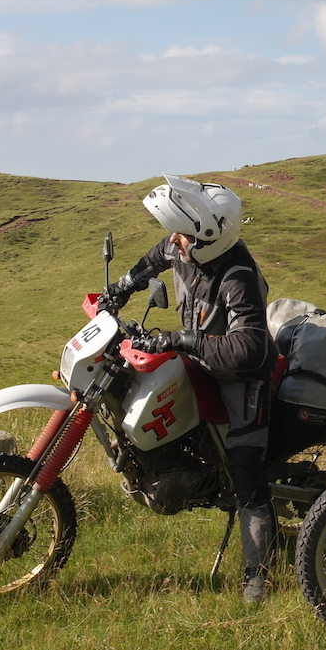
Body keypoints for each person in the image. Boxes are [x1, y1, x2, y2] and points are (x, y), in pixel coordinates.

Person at [98, 175, 278, 605]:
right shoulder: (186, 247)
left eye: (182, 234)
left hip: (241, 377)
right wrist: (120, 288)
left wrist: (181, 339)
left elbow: (250, 347)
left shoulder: (237, 275)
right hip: (198, 358)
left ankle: (258, 574)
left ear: (208, 238)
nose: (174, 240)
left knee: (246, 470)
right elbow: (153, 258)